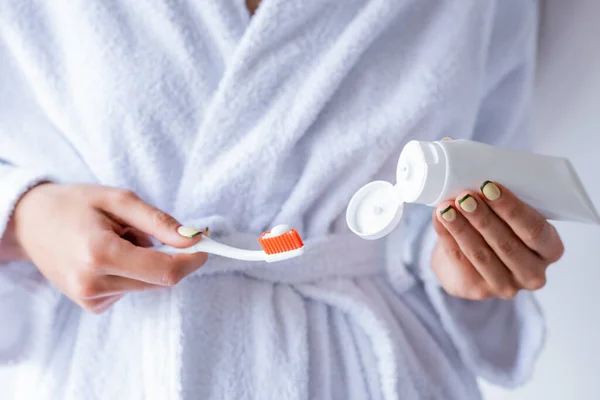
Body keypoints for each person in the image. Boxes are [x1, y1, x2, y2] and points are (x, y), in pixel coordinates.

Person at [0, 0, 562, 399]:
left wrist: (466, 257)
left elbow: (473, 175)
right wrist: (25, 217)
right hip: (115, 366)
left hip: (372, 367)